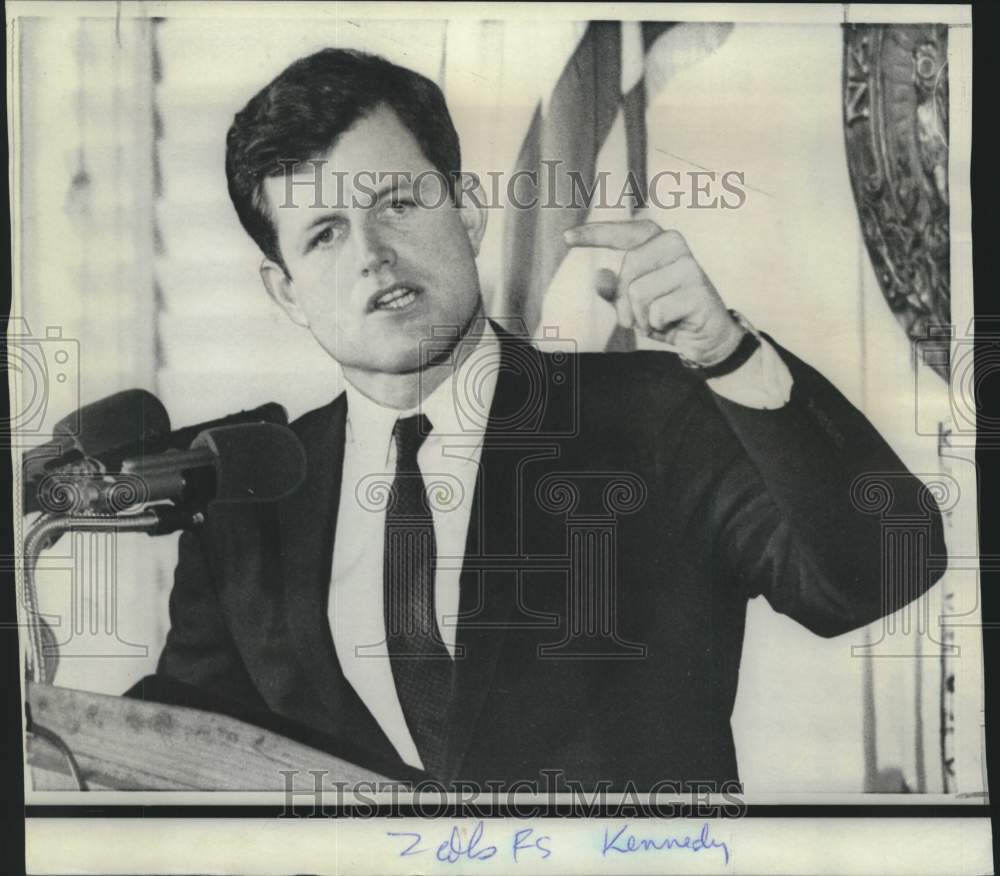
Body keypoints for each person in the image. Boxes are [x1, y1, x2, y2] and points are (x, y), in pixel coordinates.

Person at [129, 48, 947, 790]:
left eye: (397, 203)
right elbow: (187, 750)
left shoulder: (656, 414)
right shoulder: (252, 492)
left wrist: (730, 355)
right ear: (285, 293)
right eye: (325, 235)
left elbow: (882, 572)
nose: (372, 253)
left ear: (469, 212)